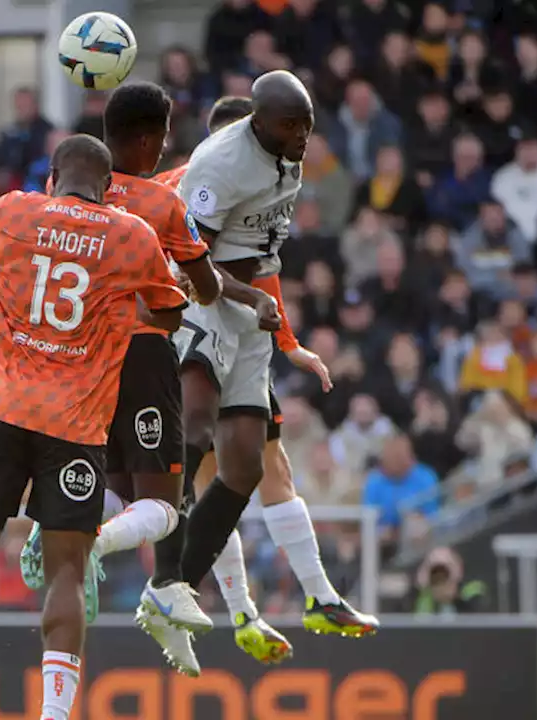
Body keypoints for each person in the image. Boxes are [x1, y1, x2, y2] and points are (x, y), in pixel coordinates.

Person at [0, 135, 188, 720]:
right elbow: (171, 309)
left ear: (52, 177)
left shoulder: (14, 210)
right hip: (76, 428)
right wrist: (118, 304)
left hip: (2, 414)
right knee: (68, 573)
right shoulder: (130, 235)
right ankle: (53, 714)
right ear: (107, 187)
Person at [169, 94, 378, 668]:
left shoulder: (276, 170)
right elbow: (180, 260)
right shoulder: (196, 181)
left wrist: (288, 343)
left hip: (245, 327)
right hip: (202, 325)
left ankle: (251, 610)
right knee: (241, 470)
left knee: (237, 474)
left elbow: (267, 269)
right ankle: (287, 599)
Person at [16, 82, 223, 628]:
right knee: (162, 496)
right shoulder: (162, 203)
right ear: (152, 141)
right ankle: (105, 552)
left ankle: (61, 529)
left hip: (75, 356)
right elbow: (207, 288)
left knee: (115, 480)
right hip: (141, 355)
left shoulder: (63, 194)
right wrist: (182, 278)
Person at [141, 69, 316, 674]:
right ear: (257, 123)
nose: (303, 136)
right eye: (293, 126)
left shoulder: (285, 152)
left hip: (248, 319)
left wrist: (281, 332)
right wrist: (249, 301)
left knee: (244, 464)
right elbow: (190, 265)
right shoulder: (215, 167)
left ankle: (176, 590)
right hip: (206, 307)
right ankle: (162, 571)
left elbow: (261, 252)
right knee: (194, 430)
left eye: (307, 125)